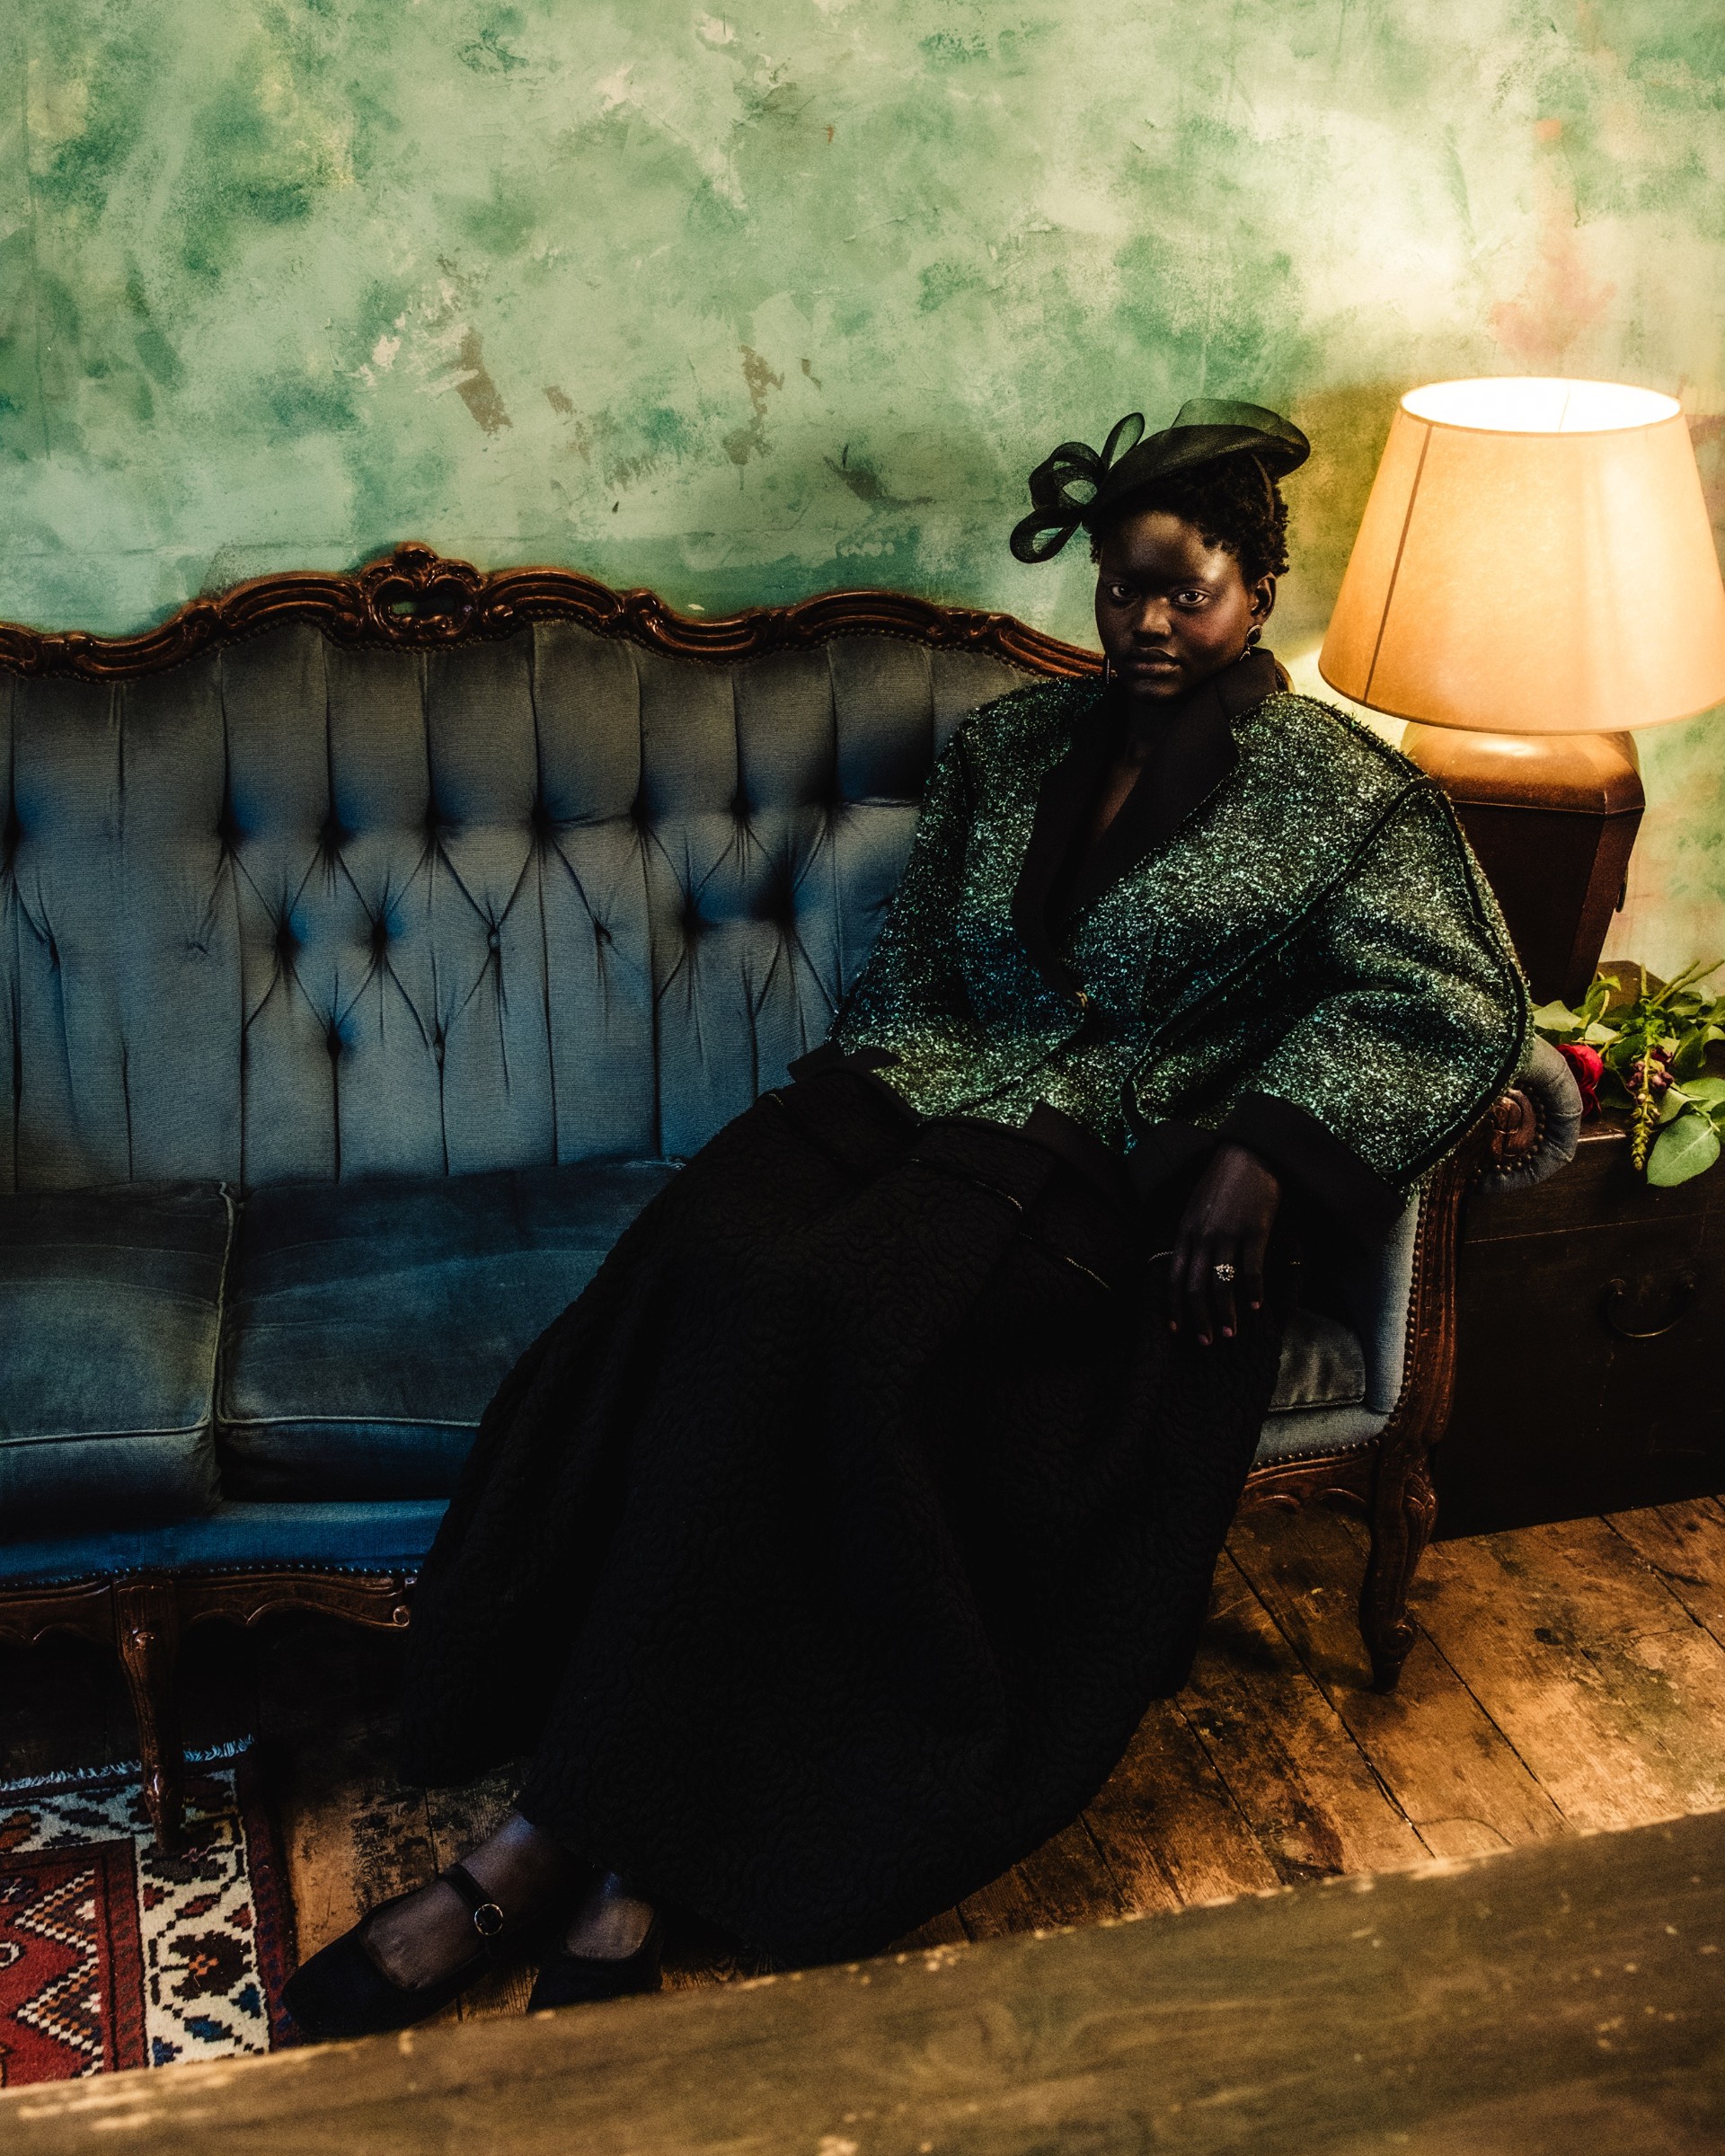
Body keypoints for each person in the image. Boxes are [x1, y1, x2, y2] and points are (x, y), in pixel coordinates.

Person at [283, 399, 1529, 2040]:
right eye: (1122, 591)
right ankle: (599, 1826)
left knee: (830, 1330)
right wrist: (864, 1116)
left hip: (1102, 1160)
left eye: (1191, 592)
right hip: (908, 1093)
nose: (1150, 627)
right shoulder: (1013, 749)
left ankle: (555, 1850)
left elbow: (1455, 999)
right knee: (700, 1267)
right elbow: (919, 972)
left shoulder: (1342, 794)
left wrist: (1268, 1154)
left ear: (1260, 590)